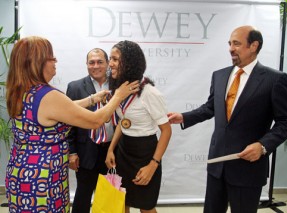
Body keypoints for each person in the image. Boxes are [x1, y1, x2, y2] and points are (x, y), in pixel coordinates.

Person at [168, 25, 287, 213]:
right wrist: (184, 117)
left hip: (248, 168)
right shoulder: (220, 76)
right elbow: (210, 107)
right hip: (217, 164)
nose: (231, 48)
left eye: (236, 43)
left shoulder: (274, 79)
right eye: (229, 43)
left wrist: (262, 146)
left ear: (254, 46)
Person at [5, 36, 139, 213]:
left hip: (23, 171)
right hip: (42, 178)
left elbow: (62, 110)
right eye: (51, 57)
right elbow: (95, 120)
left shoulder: (21, 90)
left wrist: (92, 99)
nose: (55, 61)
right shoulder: (48, 95)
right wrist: (118, 96)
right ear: (37, 62)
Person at [105, 40, 172, 213]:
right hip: (123, 151)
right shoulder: (120, 89)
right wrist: (111, 149)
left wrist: (152, 165)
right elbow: (123, 121)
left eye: (115, 59)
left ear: (129, 63)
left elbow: (166, 131)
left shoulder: (150, 93)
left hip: (145, 153)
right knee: (121, 203)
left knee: (146, 206)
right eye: (110, 58)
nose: (110, 63)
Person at [66, 48, 114, 213]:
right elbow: (69, 123)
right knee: (82, 197)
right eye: (91, 62)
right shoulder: (75, 87)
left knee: (110, 197)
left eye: (100, 62)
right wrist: (71, 152)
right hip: (86, 151)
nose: (95, 66)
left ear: (107, 63)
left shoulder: (118, 86)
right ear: (86, 64)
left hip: (112, 151)